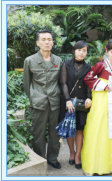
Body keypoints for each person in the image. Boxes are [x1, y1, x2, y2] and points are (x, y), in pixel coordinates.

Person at [81, 39, 112, 175]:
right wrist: (103, 85)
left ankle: (110, 163)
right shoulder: (100, 65)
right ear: (107, 52)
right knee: (99, 127)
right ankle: (97, 164)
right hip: (101, 100)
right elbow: (88, 78)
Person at [23, 30, 62, 169]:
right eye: (44, 39)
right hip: (38, 102)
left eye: (49, 39)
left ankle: (52, 158)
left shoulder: (58, 60)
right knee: (38, 133)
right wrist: (33, 98)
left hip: (54, 102)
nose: (47, 42)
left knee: (54, 132)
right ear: (38, 43)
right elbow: (27, 84)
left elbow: (60, 82)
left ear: (52, 42)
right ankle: (40, 159)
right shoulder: (30, 60)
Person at [59, 41, 92, 169]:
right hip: (69, 102)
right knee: (70, 129)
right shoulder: (66, 64)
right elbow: (63, 83)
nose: (82, 52)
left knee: (79, 129)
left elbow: (89, 84)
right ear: (74, 51)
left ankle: (78, 155)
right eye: (79, 50)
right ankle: (71, 153)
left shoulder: (88, 67)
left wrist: (89, 98)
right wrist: (67, 99)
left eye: (84, 50)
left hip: (82, 102)